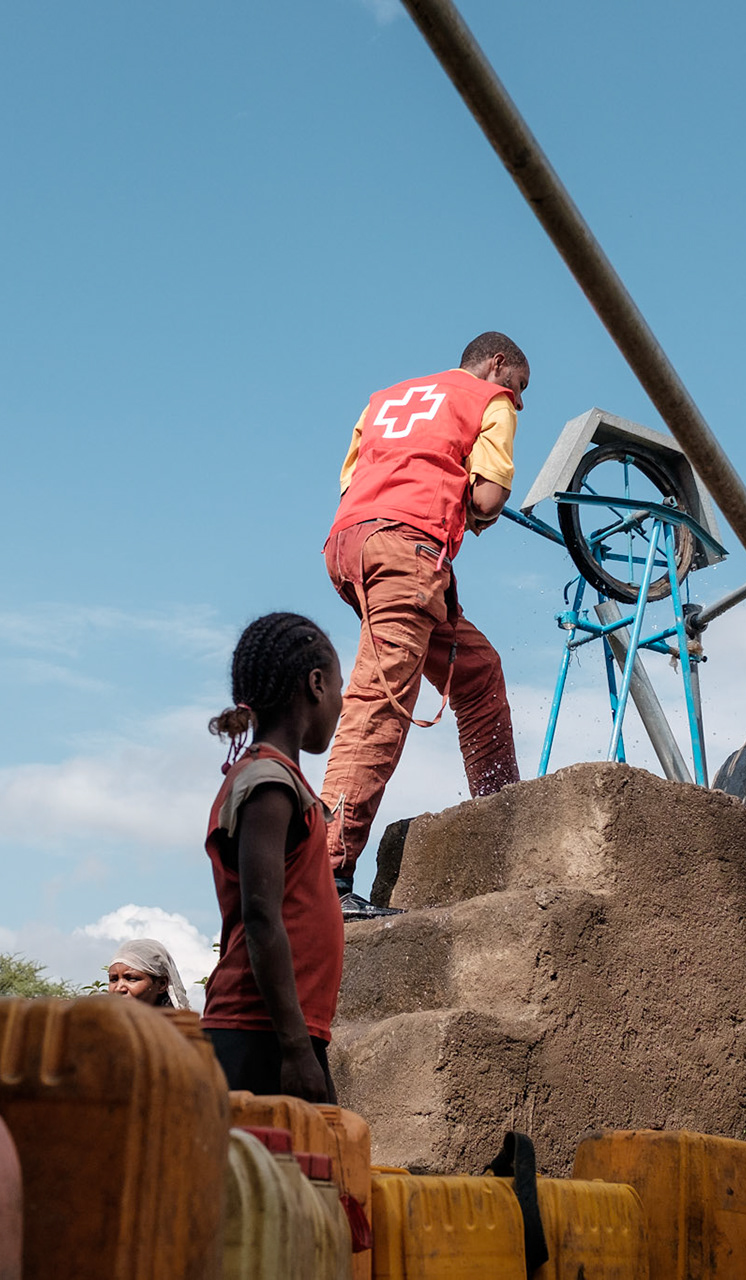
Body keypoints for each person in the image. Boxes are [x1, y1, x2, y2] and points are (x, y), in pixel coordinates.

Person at [320, 332, 529, 918]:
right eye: (520, 384)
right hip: (405, 553)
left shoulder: (385, 399)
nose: (521, 399)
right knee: (379, 702)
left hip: (351, 545)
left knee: (478, 672)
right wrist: (469, 498)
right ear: (496, 365)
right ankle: (324, 875)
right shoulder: (489, 401)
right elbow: (488, 500)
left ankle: (501, 814)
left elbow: (351, 479)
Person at [201, 612, 345, 1102]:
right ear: (316, 684)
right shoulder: (268, 782)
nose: (343, 705)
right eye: (342, 689)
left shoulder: (279, 779)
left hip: (280, 1031)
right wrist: (295, 1049)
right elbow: (262, 917)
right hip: (258, 1033)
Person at [106, 938, 190, 1009]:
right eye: (114, 980)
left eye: (132, 979)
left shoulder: (177, 1027)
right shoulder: (101, 1027)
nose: (118, 989)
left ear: (162, 984)